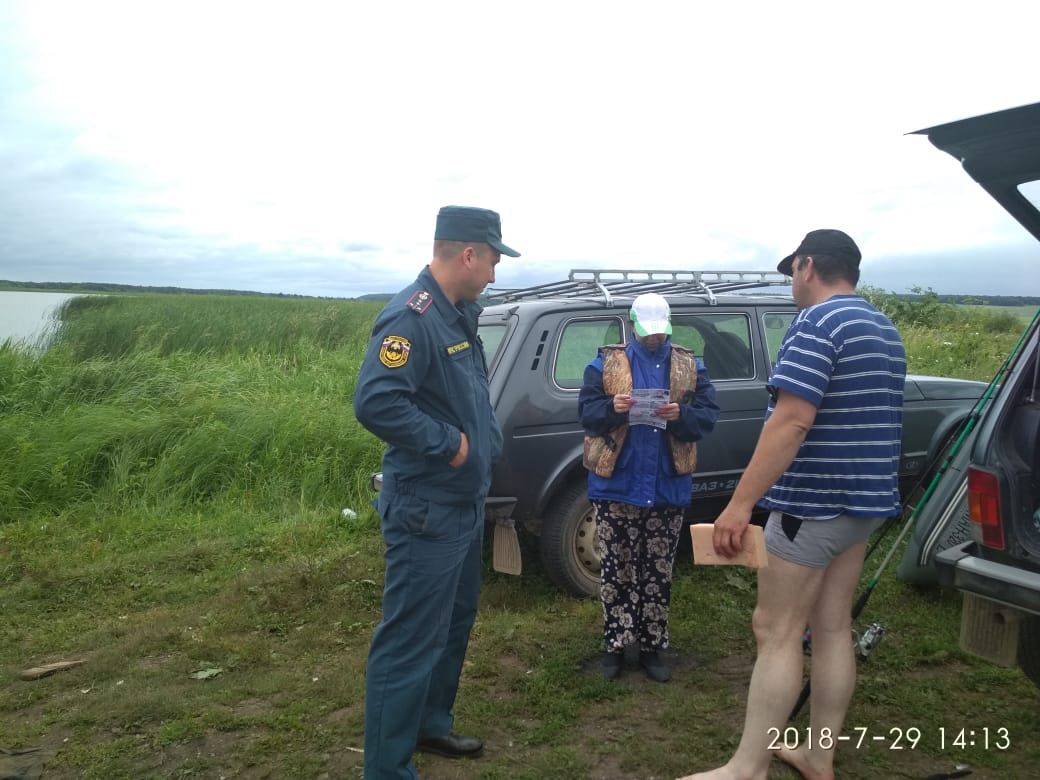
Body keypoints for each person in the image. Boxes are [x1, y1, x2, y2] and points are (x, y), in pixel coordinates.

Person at [678, 229, 906, 780]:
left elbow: (792, 421)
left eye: (792, 272)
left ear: (808, 266)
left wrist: (739, 506)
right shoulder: (883, 327)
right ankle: (816, 756)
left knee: (775, 629)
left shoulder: (817, 323)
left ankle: (748, 768)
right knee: (829, 629)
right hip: (864, 505)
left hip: (813, 503)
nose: (791, 284)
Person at [353, 205, 520, 780]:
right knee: (410, 639)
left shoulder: (460, 314)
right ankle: (387, 768)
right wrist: (449, 444)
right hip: (427, 504)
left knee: (453, 622)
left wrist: (479, 446)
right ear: (468, 253)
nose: (496, 272)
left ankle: (429, 724)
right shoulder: (413, 317)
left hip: (461, 503)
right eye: (494, 259)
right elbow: (376, 401)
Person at [579, 292, 719, 682]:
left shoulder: (690, 366)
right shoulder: (604, 364)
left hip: (666, 487)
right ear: (632, 325)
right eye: (648, 333)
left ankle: (653, 647)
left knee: (657, 571)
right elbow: (587, 416)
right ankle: (617, 647)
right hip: (617, 486)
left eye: (660, 333)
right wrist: (613, 410)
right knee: (616, 569)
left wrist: (681, 416)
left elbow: (707, 419)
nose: (655, 340)